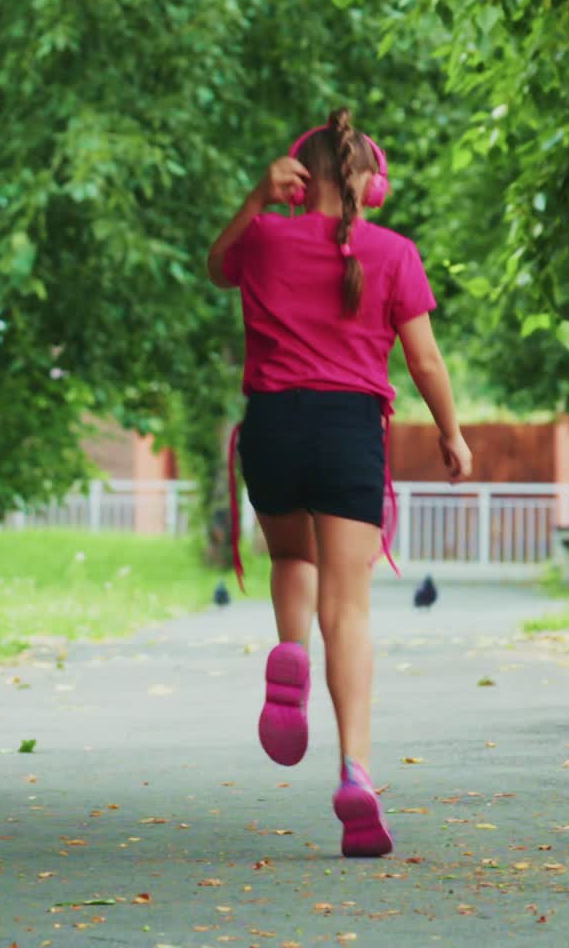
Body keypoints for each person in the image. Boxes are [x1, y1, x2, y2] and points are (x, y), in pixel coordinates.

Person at [206, 107, 472, 858]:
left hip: (273, 427)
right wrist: (451, 432)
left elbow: (213, 264)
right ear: (371, 185)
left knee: (292, 557)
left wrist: (255, 199)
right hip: (350, 430)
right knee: (349, 609)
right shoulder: (393, 253)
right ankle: (355, 769)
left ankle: (289, 651)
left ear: (301, 179)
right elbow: (425, 361)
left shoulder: (262, 238)